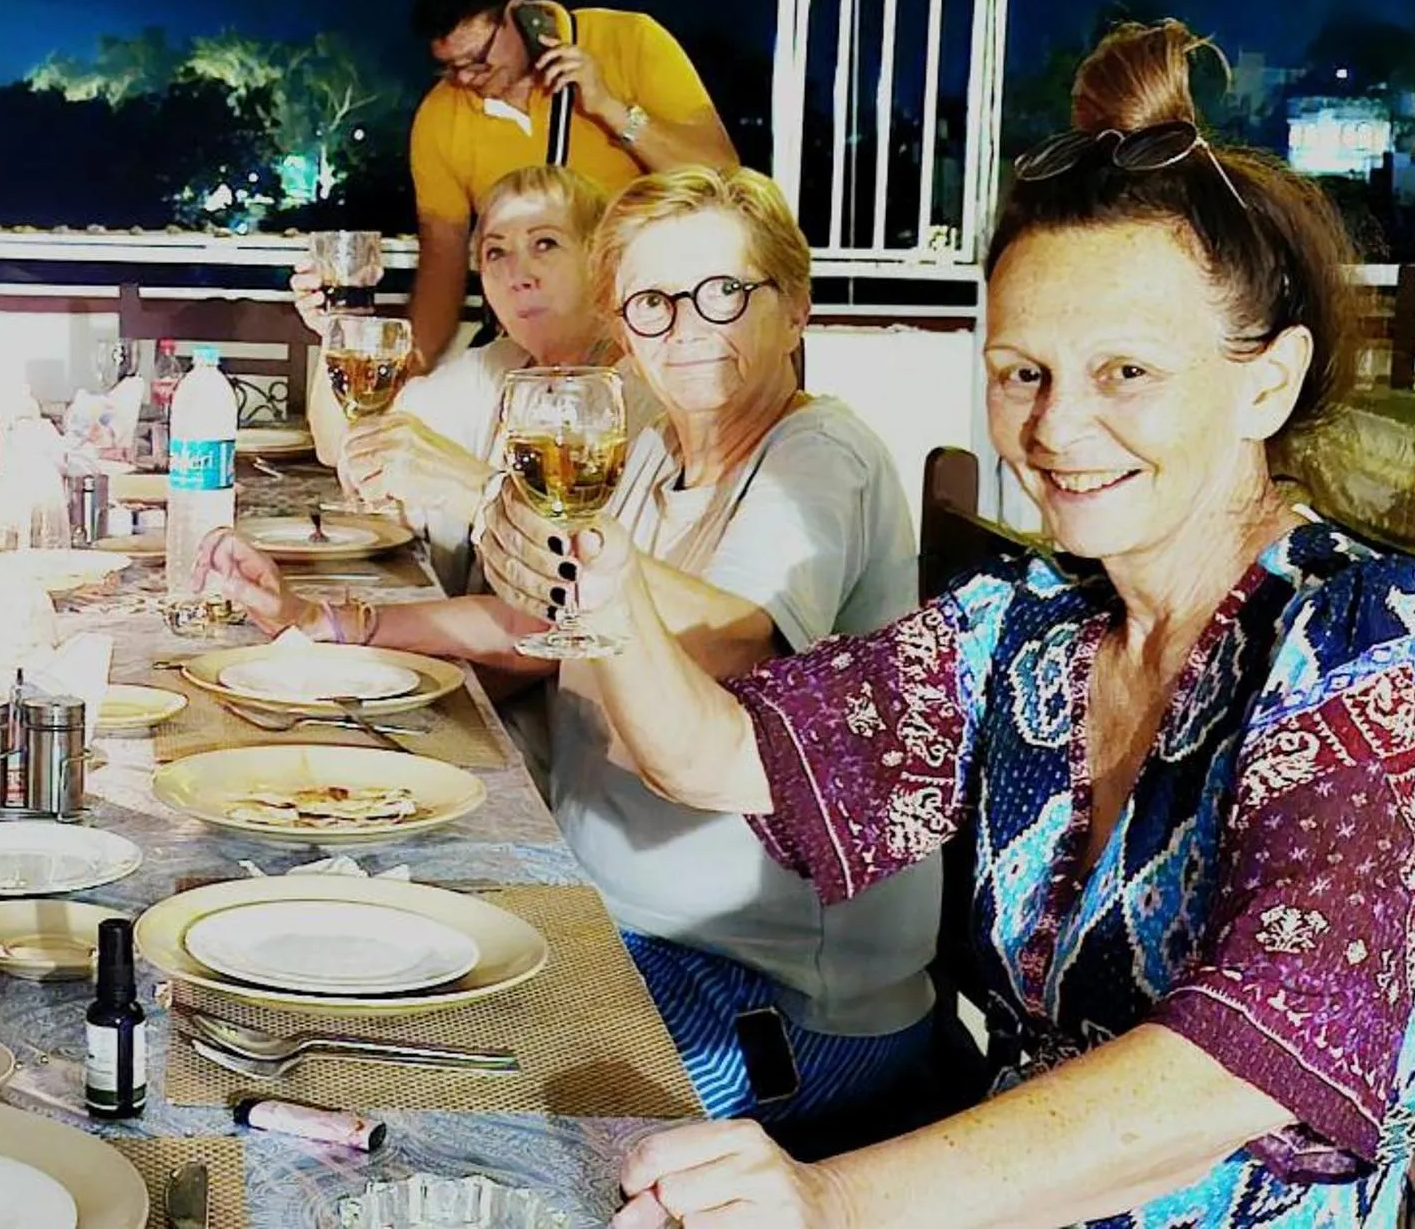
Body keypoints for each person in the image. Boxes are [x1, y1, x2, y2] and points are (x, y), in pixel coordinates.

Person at [479, 23, 1415, 1229]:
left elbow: (1235, 1069)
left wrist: (828, 1200)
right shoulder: (1031, 623)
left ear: (1263, 381)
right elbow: (714, 756)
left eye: (1124, 373)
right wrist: (603, 596)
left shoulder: (1368, 636)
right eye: (1021, 373)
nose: (1054, 429)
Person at [215, 166, 937, 1126]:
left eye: (723, 293)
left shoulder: (817, 458)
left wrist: (491, 499)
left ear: (795, 305)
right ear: (621, 327)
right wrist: (338, 624)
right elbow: (553, 626)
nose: (686, 328)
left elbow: (729, 644)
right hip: (605, 921)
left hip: (768, 996)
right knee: (302, 978)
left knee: (429, 1113)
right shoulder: (656, 448)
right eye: (652, 303)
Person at [293, 165, 629, 592]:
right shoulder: (500, 365)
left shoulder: (635, 391)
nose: (518, 274)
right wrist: (341, 327)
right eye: (496, 252)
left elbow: (584, 584)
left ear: (598, 258)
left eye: (544, 243)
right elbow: (343, 443)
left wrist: (466, 487)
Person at [405, 0, 737, 365]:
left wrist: (611, 110)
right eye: (451, 68)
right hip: (536, 342)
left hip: (651, 330)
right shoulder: (440, 115)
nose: (467, 79)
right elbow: (443, 264)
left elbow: (723, 182)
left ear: (518, 12)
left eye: (478, 60)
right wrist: (406, 369)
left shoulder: (630, 41)